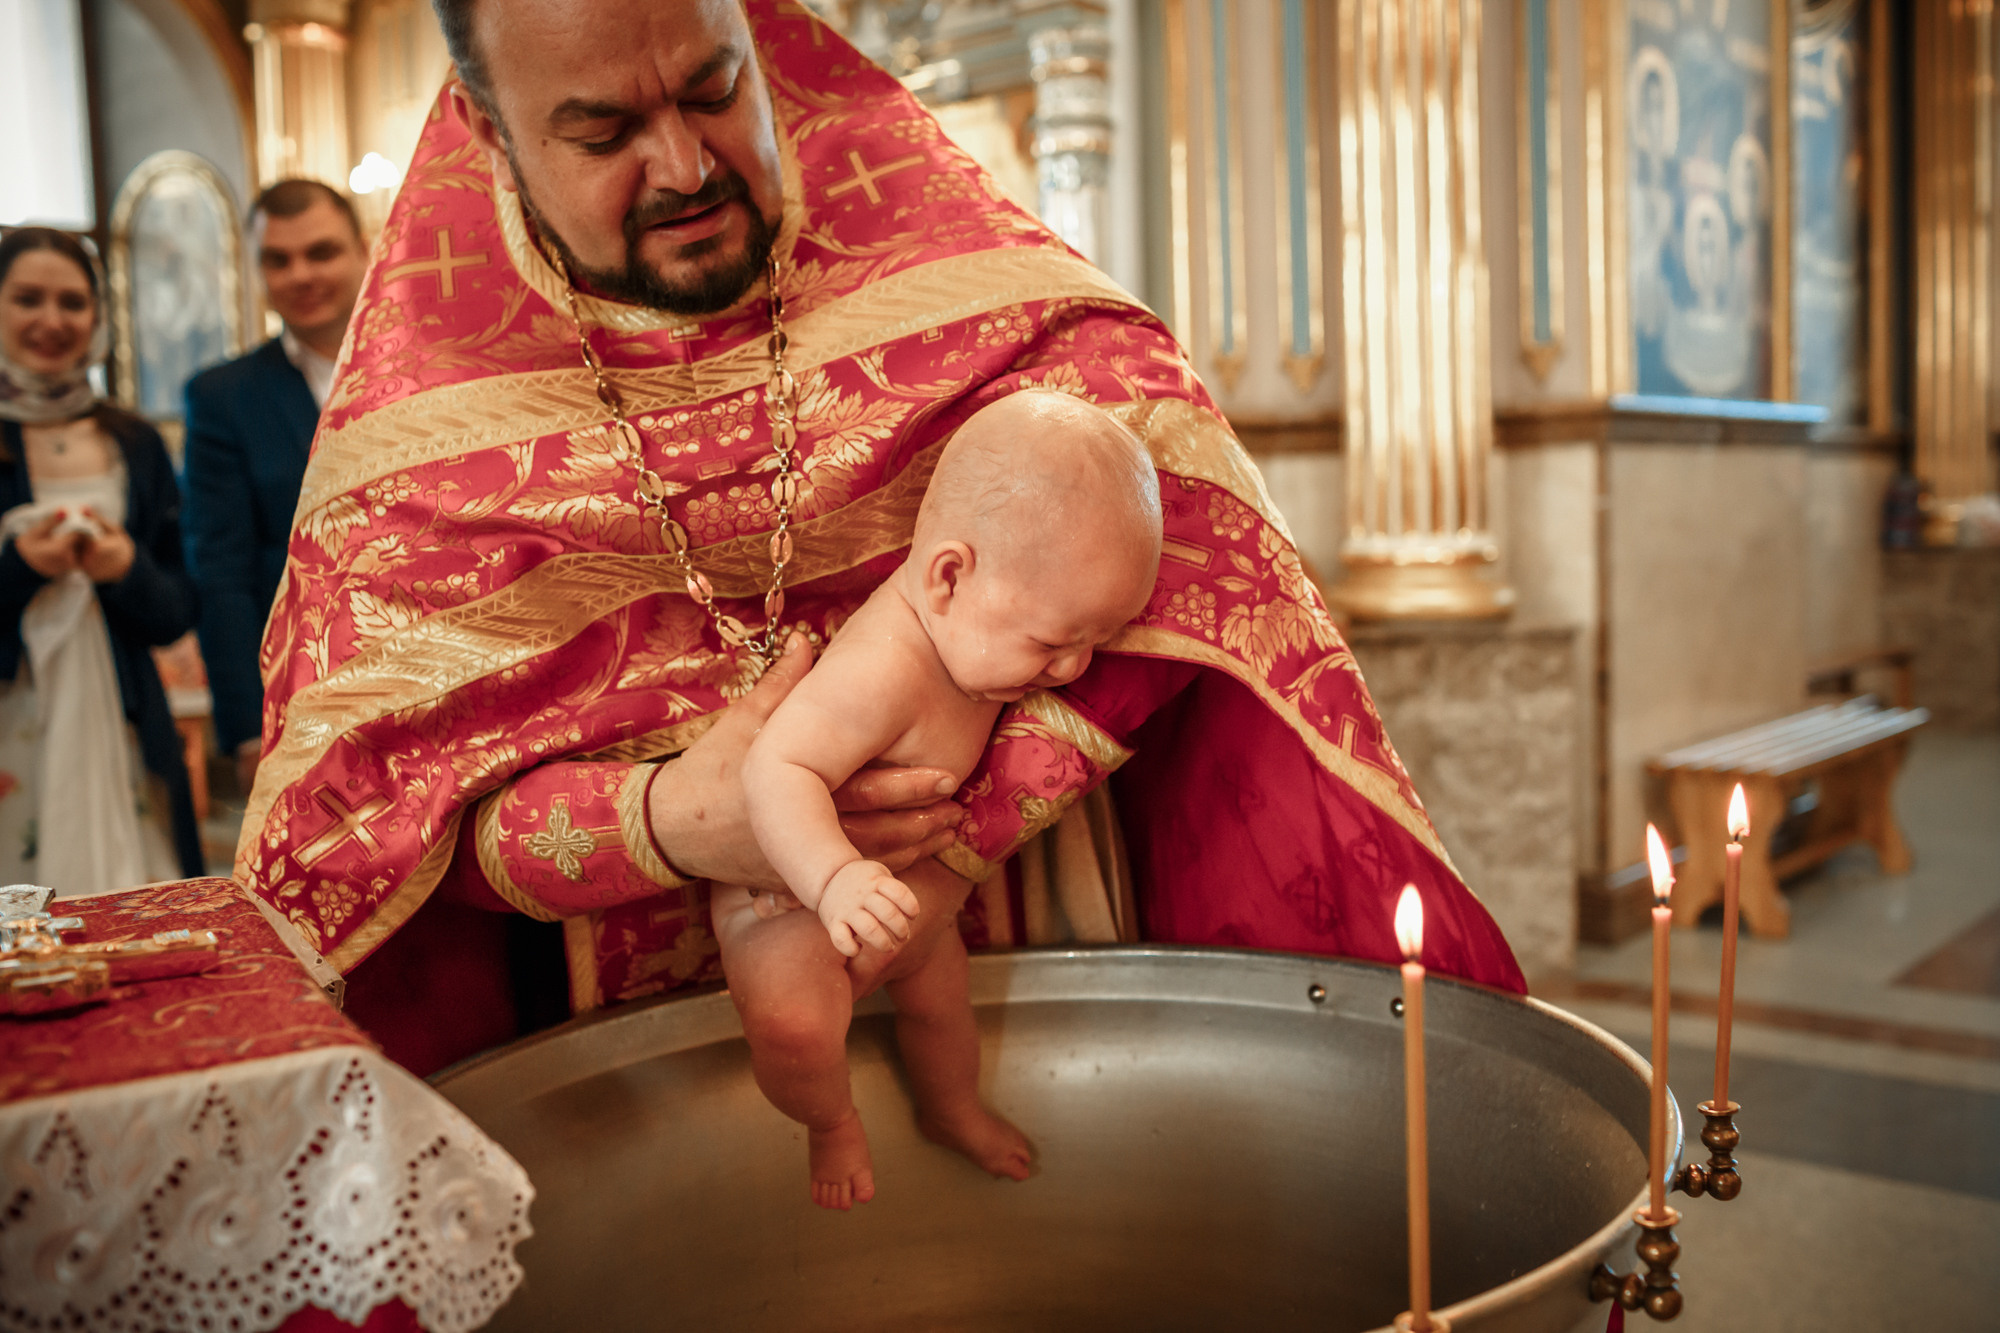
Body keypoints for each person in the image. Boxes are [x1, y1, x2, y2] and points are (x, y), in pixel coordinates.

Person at [238, 0, 1524, 1081]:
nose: (686, 167)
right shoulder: (407, 447)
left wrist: (956, 825)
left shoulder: (982, 287)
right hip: (609, 1055)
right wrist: (672, 819)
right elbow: (367, 831)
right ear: (489, 131)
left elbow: (1198, 573)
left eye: (711, 88)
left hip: (1030, 971)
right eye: (605, 131)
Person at [733, 391, 1160, 1208]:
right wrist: (831, 881)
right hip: (786, 899)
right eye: (1052, 641)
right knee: (795, 1024)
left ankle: (950, 1105)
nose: (1072, 668)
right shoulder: (883, 669)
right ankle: (830, 1121)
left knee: (940, 1005)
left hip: (897, 900)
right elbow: (773, 769)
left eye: (1094, 641)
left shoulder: (979, 628)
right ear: (949, 576)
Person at [0, 227, 204, 893]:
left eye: (72, 302)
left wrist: (125, 569)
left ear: (97, 314)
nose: (52, 321)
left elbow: (176, 608)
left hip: (121, 722)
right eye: (28, 299)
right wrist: (23, 566)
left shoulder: (134, 442)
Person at [182, 180, 369, 793]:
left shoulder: (426, 365)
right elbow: (222, 571)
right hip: (299, 690)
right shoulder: (223, 397)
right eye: (277, 260)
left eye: (321, 252)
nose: (300, 274)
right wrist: (244, 724)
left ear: (364, 250)